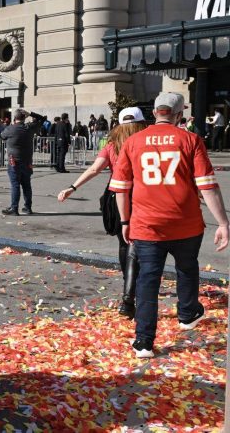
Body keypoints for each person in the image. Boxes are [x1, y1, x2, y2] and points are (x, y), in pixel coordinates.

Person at [110, 92, 229, 358]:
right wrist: (223, 222)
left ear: (155, 113)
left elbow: (121, 188)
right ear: (178, 115)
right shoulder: (190, 140)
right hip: (185, 222)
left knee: (148, 279)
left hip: (146, 223)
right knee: (187, 267)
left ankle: (144, 341)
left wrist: (125, 221)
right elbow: (207, 185)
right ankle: (187, 313)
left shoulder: (133, 142)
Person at [57, 107, 148, 318]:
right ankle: (134, 290)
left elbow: (94, 169)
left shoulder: (112, 145)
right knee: (145, 243)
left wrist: (72, 187)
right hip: (143, 194)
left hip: (116, 194)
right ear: (142, 124)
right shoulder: (145, 143)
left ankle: (129, 287)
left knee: (124, 243)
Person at [0, 109, 47, 215]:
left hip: (14, 161)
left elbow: (2, 136)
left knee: (15, 184)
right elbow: (43, 119)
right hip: (27, 161)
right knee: (26, 185)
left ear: (14, 118)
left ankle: (14, 208)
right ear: (24, 118)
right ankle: (28, 207)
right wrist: (31, 113)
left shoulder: (11, 129)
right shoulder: (29, 127)